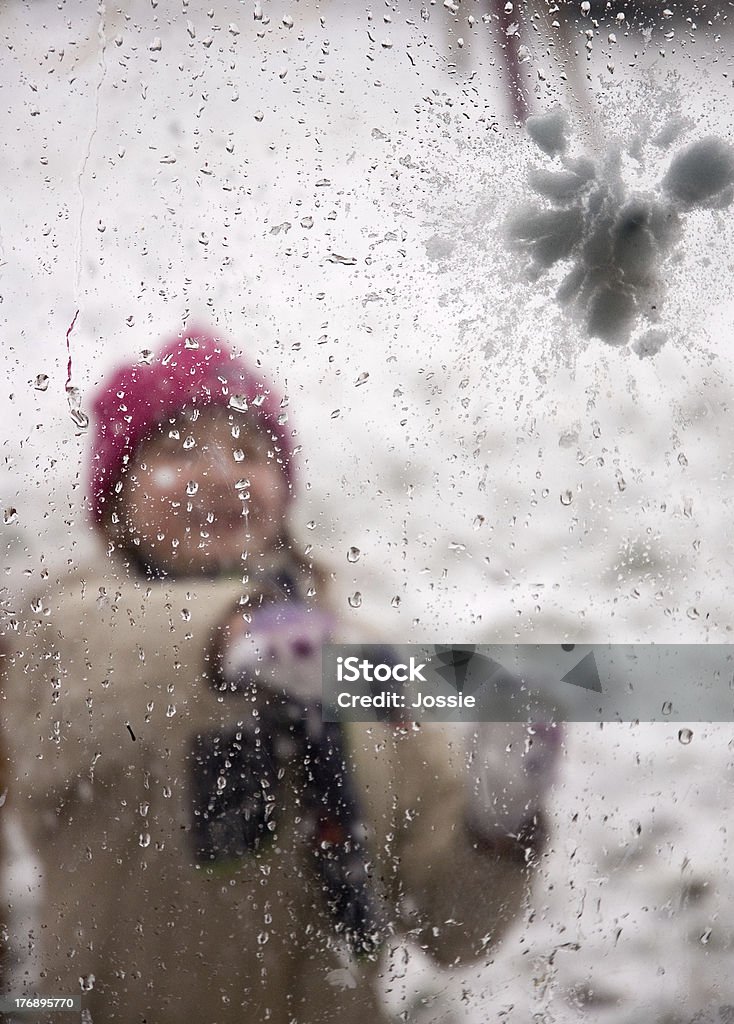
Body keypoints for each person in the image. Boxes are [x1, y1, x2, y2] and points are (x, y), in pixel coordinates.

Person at [0, 328, 559, 1023]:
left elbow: (451, 932)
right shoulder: (58, 630)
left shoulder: (355, 667)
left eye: (249, 452)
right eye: (176, 451)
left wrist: (497, 826)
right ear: (116, 495)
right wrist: (238, 637)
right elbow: (93, 662)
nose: (220, 473)